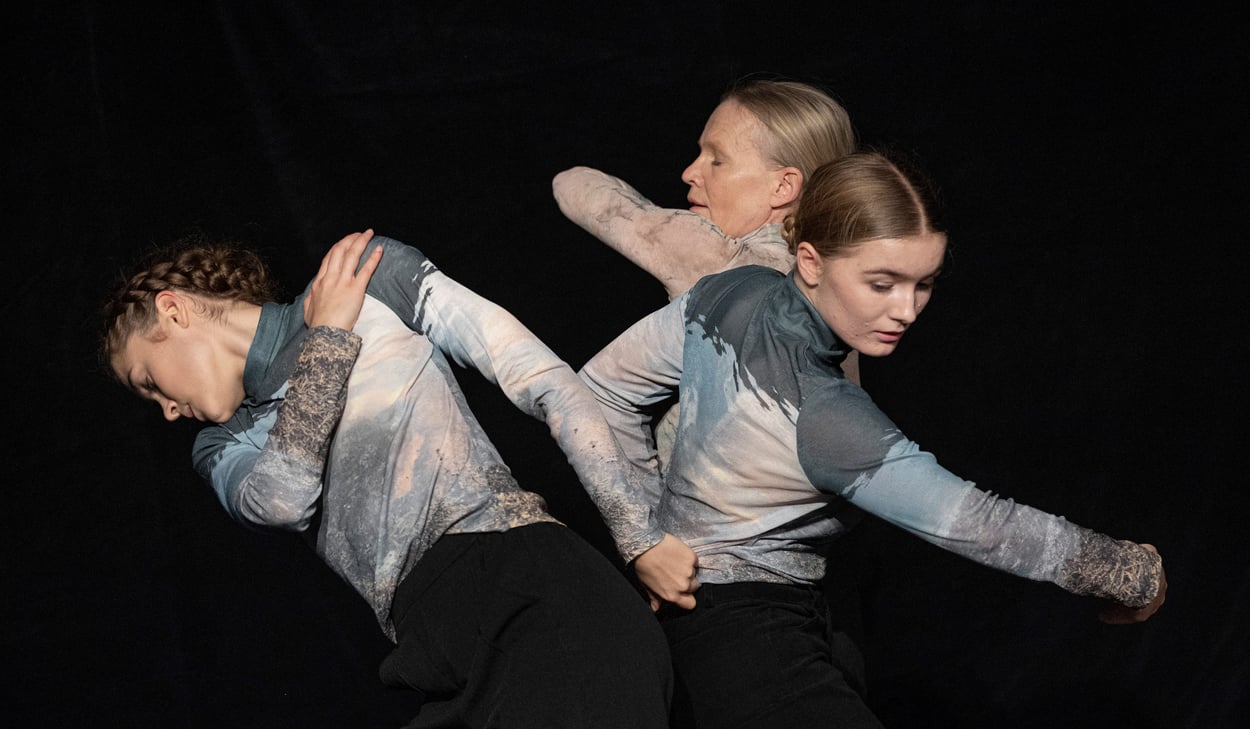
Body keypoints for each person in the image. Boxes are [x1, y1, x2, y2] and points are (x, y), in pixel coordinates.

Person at [577, 151, 1167, 728]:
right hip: (751, 651)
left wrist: (648, 540)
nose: (906, 310)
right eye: (882, 283)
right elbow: (981, 525)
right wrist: (1131, 573)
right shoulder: (827, 415)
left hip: (718, 632)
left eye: (923, 284)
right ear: (811, 261)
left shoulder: (729, 293)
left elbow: (599, 395)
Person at [100, 229, 674, 728]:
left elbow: (542, 378)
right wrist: (328, 337)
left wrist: (638, 536)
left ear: (173, 310)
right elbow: (282, 502)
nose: (167, 411)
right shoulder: (220, 445)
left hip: (532, 592)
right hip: (433, 651)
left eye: (148, 381)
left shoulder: (366, 276)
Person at [553, 78, 863, 467]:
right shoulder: (837, 282)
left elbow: (573, 185)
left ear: (783, 186)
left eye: (716, 160)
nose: (689, 172)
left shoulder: (728, 261)